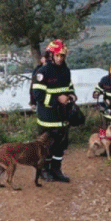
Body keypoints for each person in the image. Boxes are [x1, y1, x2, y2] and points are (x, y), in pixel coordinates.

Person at [31, 39, 76, 182]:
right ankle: (44, 170)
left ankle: (56, 170)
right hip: (47, 118)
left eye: (62, 56)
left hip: (62, 117)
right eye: (58, 55)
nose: (60, 58)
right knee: (45, 147)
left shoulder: (66, 70)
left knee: (60, 145)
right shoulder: (43, 72)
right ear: (51, 55)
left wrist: (72, 95)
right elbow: (37, 95)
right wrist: (57, 99)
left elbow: (69, 87)